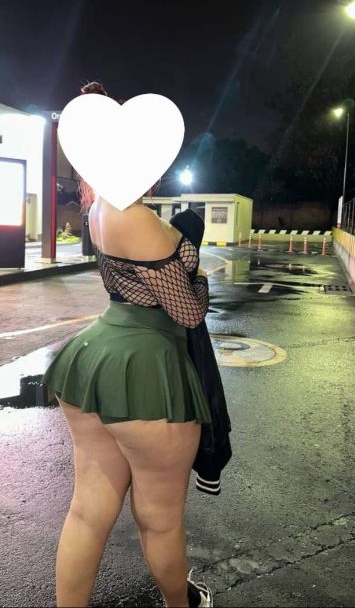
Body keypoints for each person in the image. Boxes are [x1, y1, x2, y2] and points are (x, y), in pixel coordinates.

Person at [41, 81, 213, 608]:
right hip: (146, 369)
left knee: (88, 510)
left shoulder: (98, 210)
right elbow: (187, 313)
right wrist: (201, 280)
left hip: (95, 357)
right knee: (160, 520)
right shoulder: (136, 218)